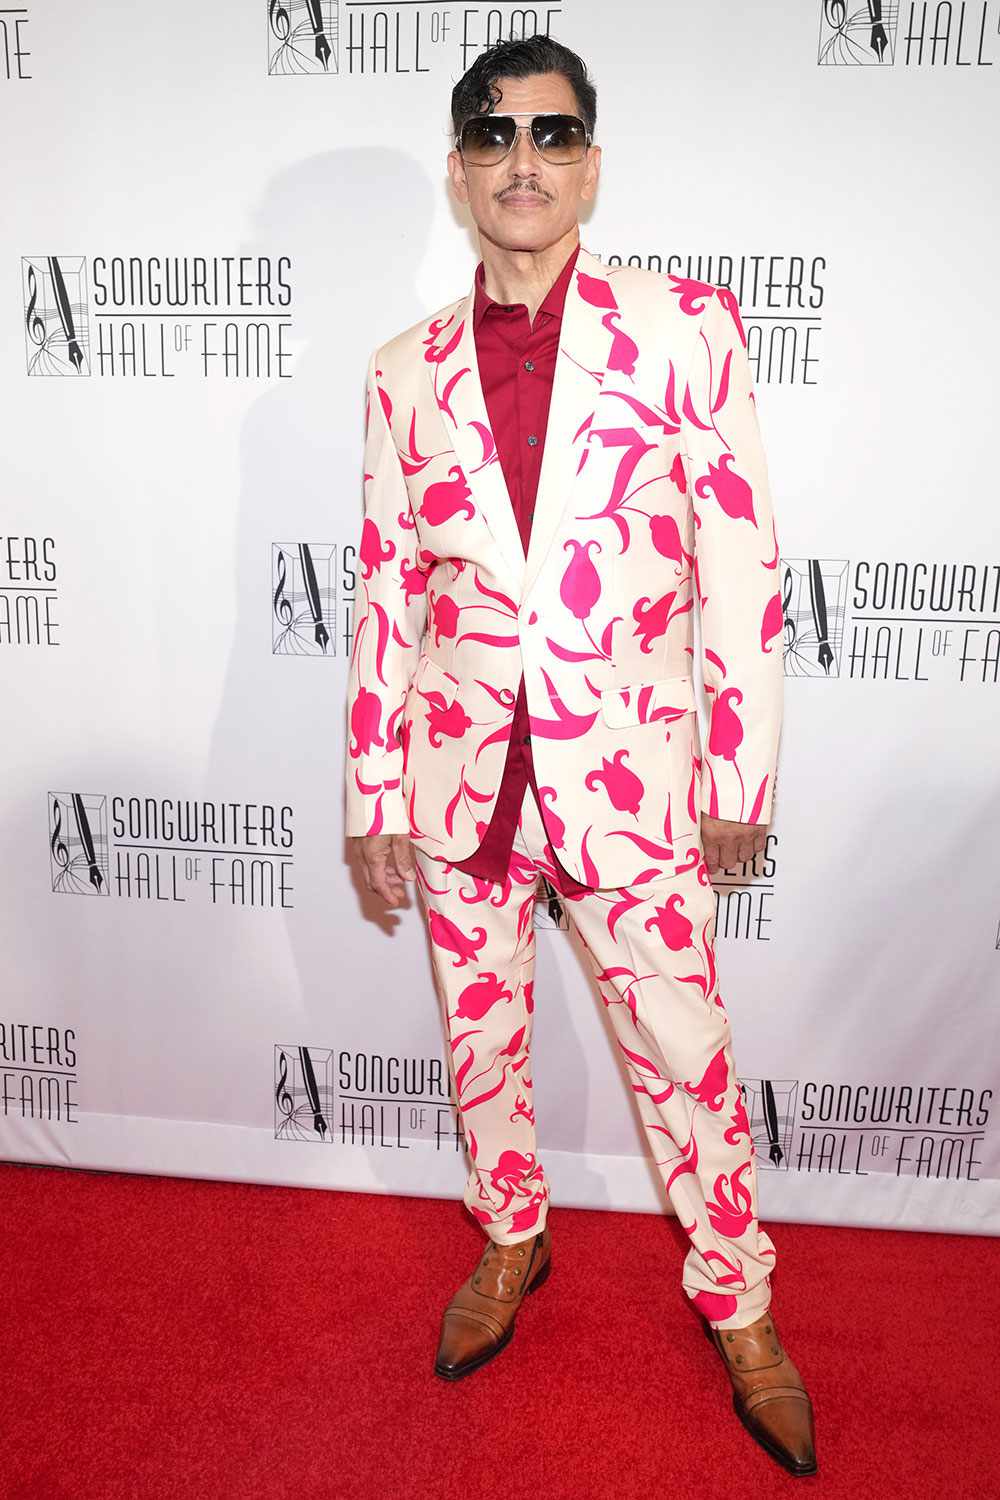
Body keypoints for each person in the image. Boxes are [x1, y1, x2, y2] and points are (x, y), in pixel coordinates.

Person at [345, 34, 815, 1478]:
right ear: (460, 171)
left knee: (686, 1048)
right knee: (479, 1041)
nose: (522, 160)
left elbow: (742, 561)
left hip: (632, 778)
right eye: (493, 136)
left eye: (550, 133)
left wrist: (737, 776)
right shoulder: (402, 369)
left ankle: (737, 1300)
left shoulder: (686, 330)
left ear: (591, 165)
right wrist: (372, 791)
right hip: (459, 773)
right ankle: (511, 1236)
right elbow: (383, 585)